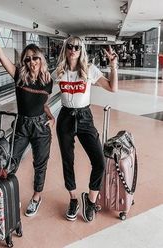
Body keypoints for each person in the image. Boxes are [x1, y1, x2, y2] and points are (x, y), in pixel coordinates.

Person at [0, 17, 55, 217]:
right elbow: (1, 56)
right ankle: (4, 196)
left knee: (40, 163)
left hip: (41, 127)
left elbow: (42, 103)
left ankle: (36, 197)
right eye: (27, 59)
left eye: (34, 58)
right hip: (22, 124)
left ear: (40, 58)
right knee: (9, 162)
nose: (31, 62)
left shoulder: (48, 81)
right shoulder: (19, 75)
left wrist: (51, 116)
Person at [52, 36, 118, 222]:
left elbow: (113, 88)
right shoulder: (59, 72)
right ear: (65, 49)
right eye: (70, 46)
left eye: (77, 47)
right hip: (65, 117)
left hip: (84, 118)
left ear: (81, 51)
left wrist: (113, 66)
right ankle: (73, 199)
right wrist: (46, 113)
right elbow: (41, 90)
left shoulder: (89, 70)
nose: (73, 50)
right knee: (68, 161)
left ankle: (90, 200)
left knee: (99, 161)